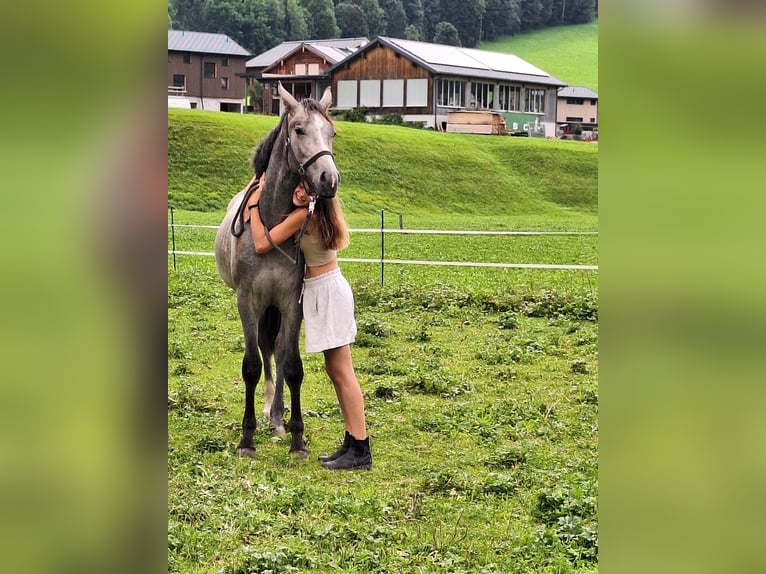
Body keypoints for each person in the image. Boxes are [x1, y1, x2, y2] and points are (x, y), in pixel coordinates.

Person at [242, 174, 372, 471]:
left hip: (327, 293)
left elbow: (262, 243)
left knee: (343, 373)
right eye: (297, 185)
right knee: (336, 371)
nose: (298, 190)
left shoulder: (304, 215)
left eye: (306, 187)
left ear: (317, 194)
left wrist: (252, 206)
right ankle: (352, 442)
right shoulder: (322, 212)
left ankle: (361, 448)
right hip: (328, 290)